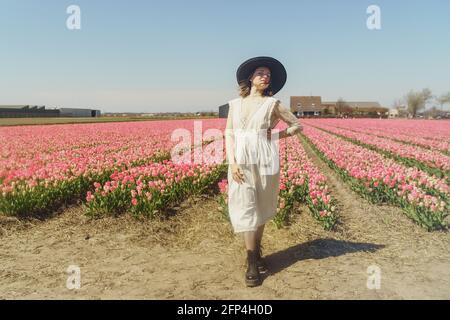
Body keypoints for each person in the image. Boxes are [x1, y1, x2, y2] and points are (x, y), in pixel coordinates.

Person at [225, 56, 303, 287]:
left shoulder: (273, 104)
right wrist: (232, 163)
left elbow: (297, 125)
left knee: (261, 205)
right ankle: (251, 262)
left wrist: (276, 135)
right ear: (250, 77)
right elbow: (229, 134)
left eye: (268, 75)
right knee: (246, 204)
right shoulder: (234, 105)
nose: (265, 77)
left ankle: (257, 250)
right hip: (241, 160)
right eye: (261, 73)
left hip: (266, 160)